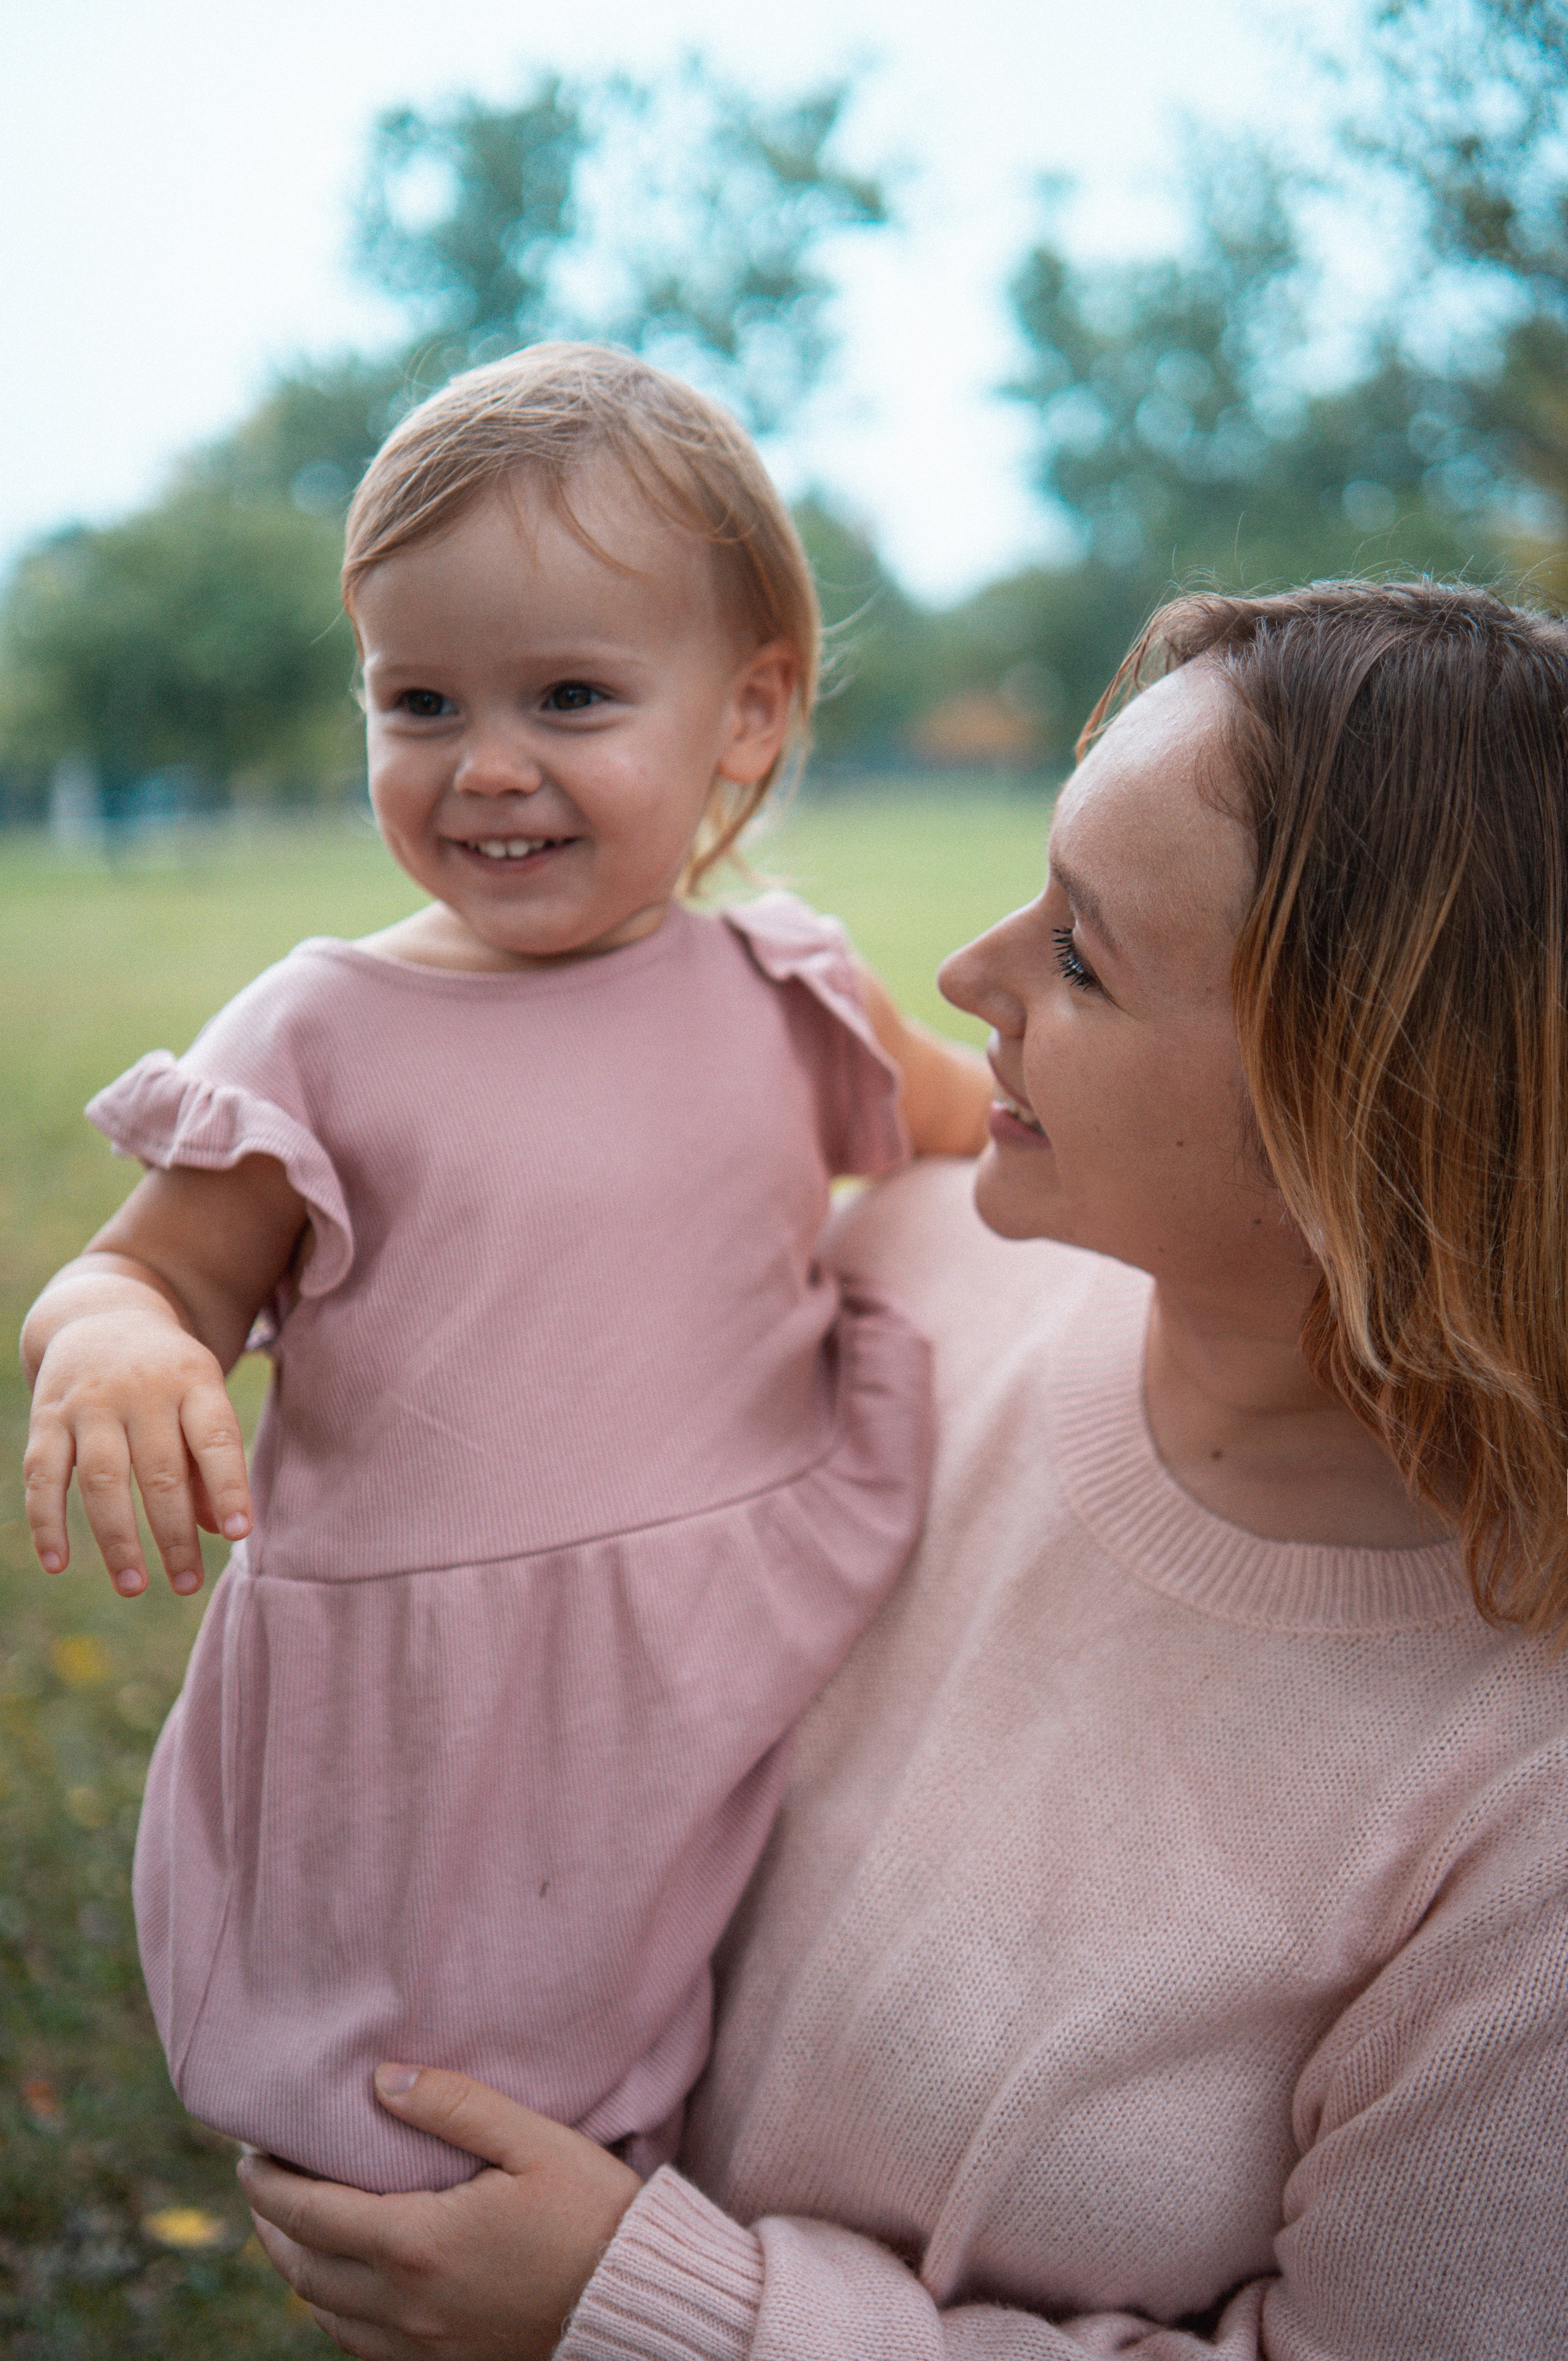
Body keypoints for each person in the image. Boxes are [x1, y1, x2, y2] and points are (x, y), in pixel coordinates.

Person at [238, 580, 1568, 2359]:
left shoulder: (1524, 1817)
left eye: (1083, 954)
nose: (967, 976)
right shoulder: (902, 1272)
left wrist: (651, 2312)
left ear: (1376, 1112)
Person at [18, 344, 993, 2196]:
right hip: (434, 1722)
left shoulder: (789, 990)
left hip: (731, 1650)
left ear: (748, 714)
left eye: (568, 694)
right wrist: (116, 1344)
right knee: (417, 2139)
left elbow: (985, 1122)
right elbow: (135, 1275)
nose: (486, 767)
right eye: (420, 700)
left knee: (722, 2080)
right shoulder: (324, 1030)